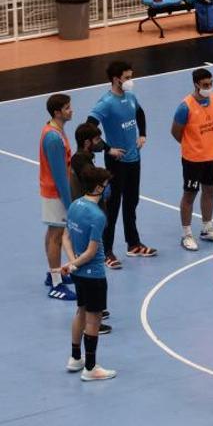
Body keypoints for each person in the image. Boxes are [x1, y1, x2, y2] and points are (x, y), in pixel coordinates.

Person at [87, 61, 156, 268]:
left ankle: (133, 244)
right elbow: (89, 128)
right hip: (116, 162)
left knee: (131, 202)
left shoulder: (131, 97)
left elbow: (140, 113)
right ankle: (106, 251)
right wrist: (108, 149)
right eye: (127, 77)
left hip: (134, 158)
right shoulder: (105, 103)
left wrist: (142, 134)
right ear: (116, 79)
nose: (130, 81)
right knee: (114, 206)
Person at [61, 166, 117, 381]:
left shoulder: (75, 204)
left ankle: (76, 358)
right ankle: (91, 368)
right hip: (93, 274)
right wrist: (75, 263)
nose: (107, 188)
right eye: (106, 185)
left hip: (79, 273)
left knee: (80, 312)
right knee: (93, 320)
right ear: (98, 187)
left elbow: (66, 237)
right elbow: (92, 252)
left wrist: (72, 263)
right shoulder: (97, 215)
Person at [171, 69, 213, 251]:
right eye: (205, 85)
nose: (208, 88)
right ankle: (186, 234)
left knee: (210, 191)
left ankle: (207, 228)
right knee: (189, 195)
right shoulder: (185, 106)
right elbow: (176, 132)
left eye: (210, 84)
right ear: (196, 85)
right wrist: (192, 145)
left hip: (212, 157)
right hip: (193, 159)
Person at [70, 122, 113, 334]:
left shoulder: (85, 158)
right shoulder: (81, 161)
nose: (99, 144)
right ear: (87, 142)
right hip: (88, 217)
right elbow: (91, 178)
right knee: (92, 260)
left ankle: (93, 309)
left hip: (87, 214)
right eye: (96, 141)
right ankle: (93, 316)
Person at [40, 93, 75, 300]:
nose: (71, 110)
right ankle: (56, 283)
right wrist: (69, 203)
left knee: (52, 232)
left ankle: (52, 273)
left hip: (52, 190)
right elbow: (59, 174)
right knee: (56, 236)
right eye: (68, 107)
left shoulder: (56, 130)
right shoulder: (53, 137)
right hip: (56, 192)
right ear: (57, 112)